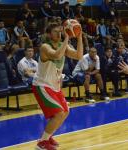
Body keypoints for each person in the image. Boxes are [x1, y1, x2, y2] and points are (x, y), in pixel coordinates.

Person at [32, 22, 83, 150]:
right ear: (49, 34)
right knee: (59, 114)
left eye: (60, 31)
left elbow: (79, 55)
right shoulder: (44, 46)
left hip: (55, 86)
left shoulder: (63, 45)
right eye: (55, 31)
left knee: (65, 112)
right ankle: (42, 143)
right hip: (42, 85)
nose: (59, 33)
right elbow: (57, 55)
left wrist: (79, 37)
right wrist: (67, 38)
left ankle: (47, 137)